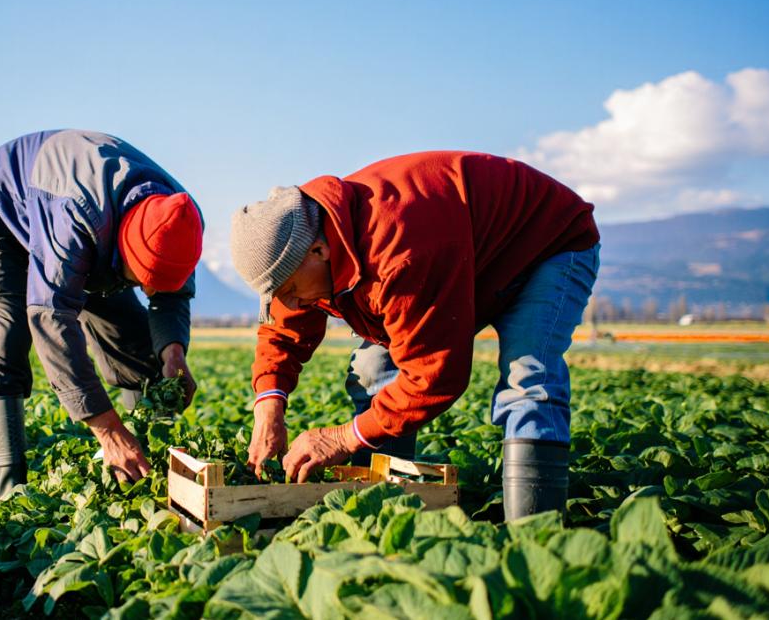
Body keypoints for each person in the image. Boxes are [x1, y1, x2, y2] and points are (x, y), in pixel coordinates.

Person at [230, 151, 599, 521]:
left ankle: (534, 533)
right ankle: (379, 509)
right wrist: (268, 406)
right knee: (375, 364)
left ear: (320, 251)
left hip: (546, 244)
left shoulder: (398, 249)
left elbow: (434, 376)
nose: (290, 302)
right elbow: (283, 329)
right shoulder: (302, 238)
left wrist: (342, 438)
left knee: (529, 377)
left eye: (291, 289)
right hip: (466, 259)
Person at [0, 129, 202, 498]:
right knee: (7, 337)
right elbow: (51, 316)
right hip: (4, 204)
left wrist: (173, 352)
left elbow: (171, 295)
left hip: (96, 221)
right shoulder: (77, 219)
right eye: (143, 281)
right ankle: (9, 490)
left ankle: (145, 463)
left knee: (131, 338)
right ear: (123, 251)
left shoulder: (180, 216)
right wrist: (107, 430)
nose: (150, 291)